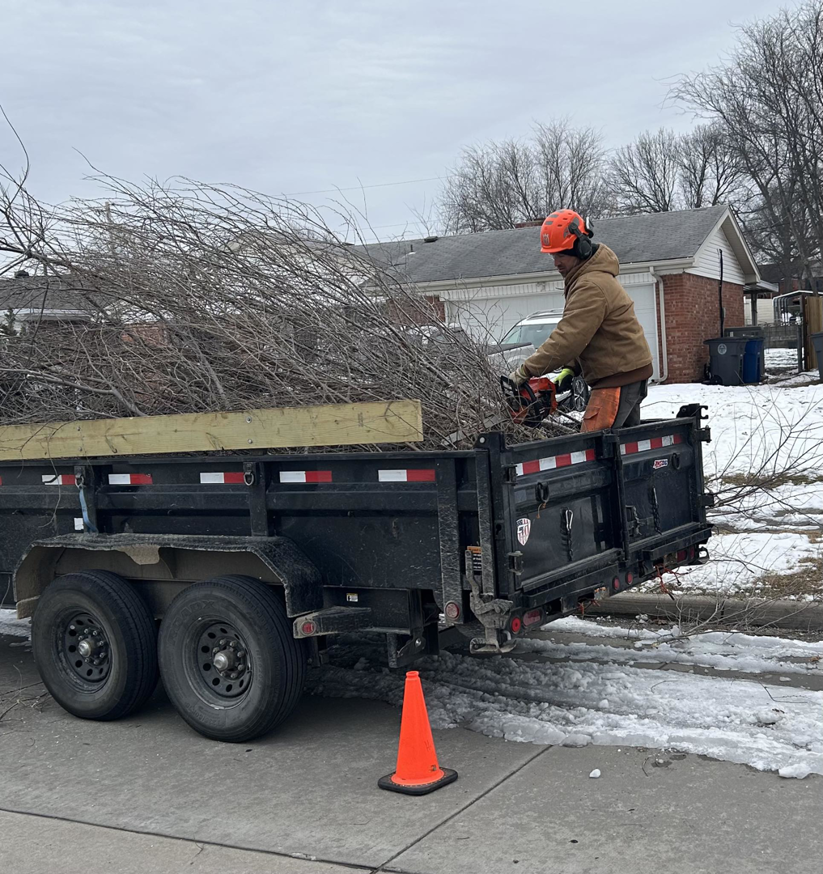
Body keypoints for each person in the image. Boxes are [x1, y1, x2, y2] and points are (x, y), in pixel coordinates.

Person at [509, 209, 653, 432]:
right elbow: (589, 333)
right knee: (620, 451)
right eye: (552, 256)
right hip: (624, 374)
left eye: (561, 255)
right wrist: (570, 368)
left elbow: (569, 338)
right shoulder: (588, 279)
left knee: (591, 449)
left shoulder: (590, 285)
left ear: (581, 249)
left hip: (617, 378)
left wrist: (525, 371)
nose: (556, 262)